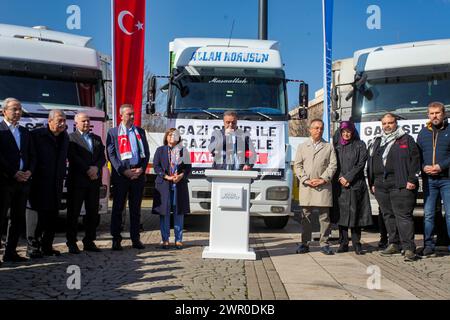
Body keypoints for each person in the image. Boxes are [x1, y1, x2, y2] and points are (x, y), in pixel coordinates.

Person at [367, 113, 420, 262]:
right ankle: (394, 244)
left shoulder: (406, 139)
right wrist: (372, 182)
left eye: (390, 123)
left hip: (400, 182)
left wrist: (411, 179)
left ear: (395, 123)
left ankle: (409, 248)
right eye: (384, 123)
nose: (387, 126)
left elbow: (415, 160)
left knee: (403, 216)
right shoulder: (377, 141)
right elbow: (371, 162)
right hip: (380, 185)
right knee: (388, 215)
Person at [106, 104, 150, 250]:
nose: (132, 117)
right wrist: (123, 171)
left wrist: (141, 169)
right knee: (118, 208)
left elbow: (146, 154)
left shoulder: (140, 132)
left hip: (138, 174)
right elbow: (111, 154)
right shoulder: (113, 132)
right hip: (122, 175)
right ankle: (116, 239)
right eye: (129, 114)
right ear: (121, 116)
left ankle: (135, 239)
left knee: (135, 209)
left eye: (133, 114)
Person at [0, 98, 36, 264]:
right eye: (14, 109)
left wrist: (29, 171)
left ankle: (10, 252)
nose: (18, 112)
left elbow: (32, 155)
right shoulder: (1, 130)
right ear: (4, 111)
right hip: (5, 181)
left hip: (23, 182)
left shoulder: (24, 131)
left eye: (19, 109)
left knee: (17, 217)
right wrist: (13, 172)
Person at [294, 119, 337, 255]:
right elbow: (298, 165)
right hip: (307, 187)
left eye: (321, 128)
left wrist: (323, 179)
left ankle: (324, 243)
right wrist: (306, 180)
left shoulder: (329, 146)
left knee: (324, 217)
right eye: (316, 128)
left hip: (323, 186)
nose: (319, 130)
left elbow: (333, 165)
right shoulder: (302, 146)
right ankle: (304, 243)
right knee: (305, 216)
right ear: (310, 129)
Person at [29, 110, 69, 256]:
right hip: (39, 182)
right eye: (59, 120)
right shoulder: (37, 135)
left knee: (52, 217)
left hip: (57, 183)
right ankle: (33, 247)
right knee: (37, 217)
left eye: (64, 120)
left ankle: (47, 246)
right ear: (50, 121)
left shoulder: (65, 137)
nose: (63, 123)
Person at [66, 113, 106, 254]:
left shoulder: (96, 138)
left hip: (94, 182)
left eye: (88, 121)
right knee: (73, 213)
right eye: (83, 121)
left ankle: (89, 241)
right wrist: (88, 169)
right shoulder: (71, 138)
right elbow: (73, 157)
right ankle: (71, 242)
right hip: (77, 181)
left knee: (92, 214)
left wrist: (96, 168)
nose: (86, 123)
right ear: (76, 123)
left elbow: (102, 157)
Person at [333, 121, 372, 255]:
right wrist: (340, 178)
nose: (346, 134)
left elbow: (361, 164)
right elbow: (333, 164)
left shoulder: (360, 145)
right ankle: (343, 243)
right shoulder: (337, 146)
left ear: (352, 132)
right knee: (342, 216)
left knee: (356, 215)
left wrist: (348, 178)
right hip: (340, 186)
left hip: (356, 185)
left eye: (348, 132)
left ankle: (357, 243)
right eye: (343, 132)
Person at [417, 102, 450, 256]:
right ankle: (428, 245)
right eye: (431, 113)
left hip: (447, 179)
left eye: (437, 113)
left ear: (443, 114)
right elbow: (417, 156)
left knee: (449, 214)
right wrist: (423, 167)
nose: (434, 116)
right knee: (428, 214)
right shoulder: (423, 133)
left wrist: (441, 166)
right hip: (429, 180)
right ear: (428, 115)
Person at [152, 128, 191, 249]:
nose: (171, 137)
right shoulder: (160, 150)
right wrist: (167, 177)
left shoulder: (184, 151)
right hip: (164, 185)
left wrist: (181, 175)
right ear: (166, 137)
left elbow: (188, 167)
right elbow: (156, 167)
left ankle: (178, 239)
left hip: (179, 185)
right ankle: (165, 239)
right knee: (164, 213)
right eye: (169, 135)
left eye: (174, 135)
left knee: (178, 212)